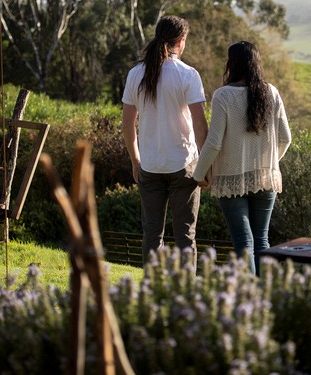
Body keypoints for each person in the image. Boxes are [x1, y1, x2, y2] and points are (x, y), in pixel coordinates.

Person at [192, 41, 292, 275]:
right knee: (261, 239)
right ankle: (264, 296)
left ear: (231, 64)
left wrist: (199, 174)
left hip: (230, 178)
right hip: (266, 178)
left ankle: (248, 296)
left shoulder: (223, 96)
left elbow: (214, 142)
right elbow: (285, 137)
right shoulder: (271, 92)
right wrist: (269, 163)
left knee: (243, 242)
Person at [122, 15, 207, 264]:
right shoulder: (188, 74)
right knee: (185, 237)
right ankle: (185, 295)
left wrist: (135, 160)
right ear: (180, 41)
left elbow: (127, 123)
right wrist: (206, 165)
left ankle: (151, 294)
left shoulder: (135, 74)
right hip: (184, 166)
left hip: (149, 165)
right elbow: (200, 125)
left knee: (151, 235)